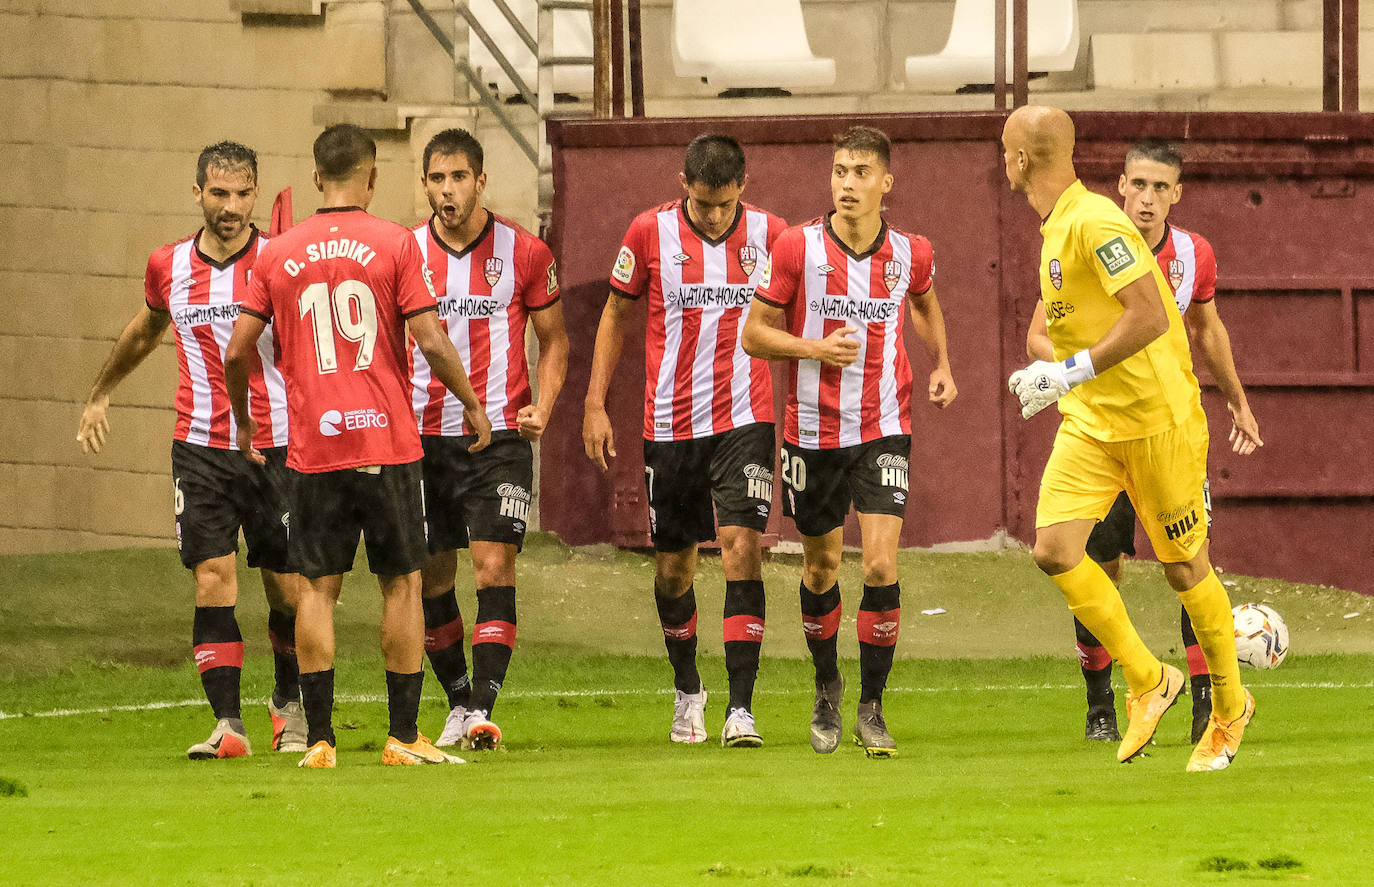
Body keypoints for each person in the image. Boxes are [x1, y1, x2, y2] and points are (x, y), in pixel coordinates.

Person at [224, 124, 492, 768]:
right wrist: (473, 404)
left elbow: (237, 350)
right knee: (401, 583)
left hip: (314, 447)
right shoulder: (396, 243)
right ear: (371, 178)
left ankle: (319, 741)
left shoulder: (277, 253)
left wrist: (243, 421)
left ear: (318, 176)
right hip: (388, 441)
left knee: (316, 588)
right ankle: (402, 736)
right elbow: (428, 339)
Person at [1002, 106, 1253, 771]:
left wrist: (1069, 370)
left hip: (1158, 419)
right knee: (1055, 549)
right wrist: (1054, 373)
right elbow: (1072, 330)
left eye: (1006, 150)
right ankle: (1149, 679)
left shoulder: (1096, 222)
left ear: (1023, 159)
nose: (1003, 160)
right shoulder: (1057, 227)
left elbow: (1147, 315)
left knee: (1182, 567)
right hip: (1095, 422)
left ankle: (1229, 709)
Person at [76, 141, 306, 760]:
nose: (230, 207)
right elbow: (148, 329)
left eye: (242, 193)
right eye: (218, 193)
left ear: (256, 195)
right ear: (197, 192)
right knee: (213, 578)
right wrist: (101, 394)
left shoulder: (282, 262)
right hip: (199, 446)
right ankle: (228, 725)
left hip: (277, 445)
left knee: (285, 589)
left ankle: (288, 702)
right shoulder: (168, 264)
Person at [742, 125, 957, 758]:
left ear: (886, 183)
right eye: (839, 171)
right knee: (820, 566)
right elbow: (755, 335)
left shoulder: (911, 252)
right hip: (811, 429)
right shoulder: (794, 247)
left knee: (883, 562)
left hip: (886, 424)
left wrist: (940, 360)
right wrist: (812, 348)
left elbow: (923, 301)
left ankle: (872, 706)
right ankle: (827, 684)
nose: (847, 184)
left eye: (861, 172)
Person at [583, 134, 786, 746]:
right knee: (674, 569)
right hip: (669, 423)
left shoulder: (773, 236)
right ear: (683, 187)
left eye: (724, 206)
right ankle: (688, 689)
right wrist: (595, 402)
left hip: (745, 418)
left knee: (741, 544)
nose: (714, 216)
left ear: (742, 189)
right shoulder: (648, 233)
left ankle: (741, 708)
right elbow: (616, 316)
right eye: (702, 205)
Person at [408, 128, 569, 751]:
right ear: (425, 184)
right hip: (423, 439)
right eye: (437, 179)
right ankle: (455, 700)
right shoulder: (404, 253)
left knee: (494, 563)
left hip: (499, 435)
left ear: (481, 181)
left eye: (458, 178)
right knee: (433, 574)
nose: (447, 190)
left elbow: (555, 340)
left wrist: (545, 407)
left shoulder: (525, 253)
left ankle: (482, 708)